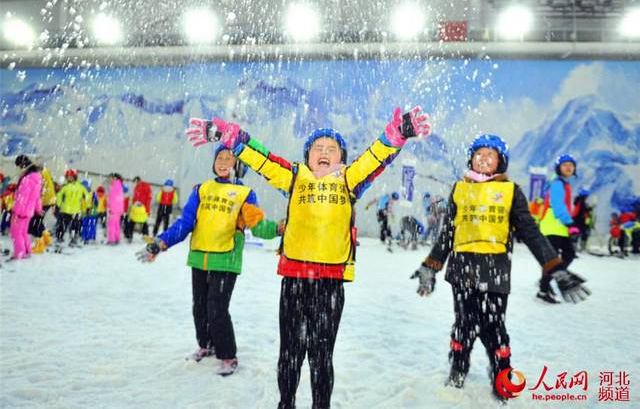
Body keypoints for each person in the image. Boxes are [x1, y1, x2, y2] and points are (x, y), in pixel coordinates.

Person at [186, 105, 430, 408]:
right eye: (317, 147)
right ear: (307, 155)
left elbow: (374, 158)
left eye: (332, 148)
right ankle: (285, 403)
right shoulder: (295, 177)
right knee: (290, 353)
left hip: (329, 284)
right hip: (294, 280)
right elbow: (263, 161)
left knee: (321, 356)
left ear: (342, 157)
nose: (324, 151)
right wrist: (232, 138)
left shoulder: (349, 179)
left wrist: (396, 135)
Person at [411, 134, 590, 401]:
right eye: (478, 153)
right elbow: (447, 233)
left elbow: (530, 231)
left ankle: (502, 375)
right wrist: (430, 266)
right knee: (463, 325)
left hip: (495, 272)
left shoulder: (510, 191)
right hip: (462, 270)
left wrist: (554, 267)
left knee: (495, 328)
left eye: (490, 154)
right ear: (470, 158)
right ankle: (458, 367)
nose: (483, 158)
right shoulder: (460, 188)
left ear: (500, 162)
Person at [136, 145, 281, 375]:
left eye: (229, 158)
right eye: (219, 158)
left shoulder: (245, 194)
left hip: (226, 259)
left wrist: (280, 228)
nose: (223, 162)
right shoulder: (202, 190)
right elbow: (185, 223)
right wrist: (160, 244)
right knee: (200, 308)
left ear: (239, 165)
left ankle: (228, 355)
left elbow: (258, 225)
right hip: (199, 259)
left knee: (217, 309)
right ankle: (206, 345)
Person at [537, 154, 580, 303]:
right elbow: (557, 205)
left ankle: (545, 280)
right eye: (565, 165)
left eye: (571, 165)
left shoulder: (564, 183)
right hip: (552, 226)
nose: (568, 167)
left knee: (567, 255)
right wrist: (570, 223)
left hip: (559, 227)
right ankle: (543, 288)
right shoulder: (557, 183)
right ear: (558, 168)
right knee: (558, 258)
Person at [9, 155, 43, 260]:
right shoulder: (37, 178)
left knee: (16, 233)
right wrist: (38, 209)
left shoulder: (27, 179)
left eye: (19, 166)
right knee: (23, 232)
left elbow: (22, 197)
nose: (19, 169)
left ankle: (19, 253)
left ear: (23, 165)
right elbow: (37, 197)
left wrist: (16, 211)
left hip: (21, 211)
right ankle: (27, 250)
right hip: (29, 211)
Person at [54, 169, 89, 248]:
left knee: (75, 226)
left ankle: (73, 239)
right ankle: (59, 238)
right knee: (62, 225)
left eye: (71, 177)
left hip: (76, 210)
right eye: (68, 177)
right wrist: (58, 205)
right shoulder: (65, 187)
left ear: (74, 177)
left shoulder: (80, 187)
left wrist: (87, 206)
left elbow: (87, 196)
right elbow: (59, 196)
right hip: (65, 210)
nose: (69, 178)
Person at [107, 173, 124, 245]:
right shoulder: (119, 185)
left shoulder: (115, 186)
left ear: (115, 178)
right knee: (116, 224)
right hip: (118, 209)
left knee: (111, 225)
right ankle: (117, 238)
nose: (110, 180)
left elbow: (112, 199)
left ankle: (112, 240)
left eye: (111, 178)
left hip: (114, 209)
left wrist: (110, 208)